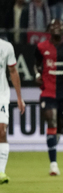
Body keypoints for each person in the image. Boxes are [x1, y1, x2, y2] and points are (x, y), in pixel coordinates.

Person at [34, 19, 63, 176]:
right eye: (54, 26)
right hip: (47, 91)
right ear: (49, 30)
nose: (57, 28)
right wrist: (38, 74)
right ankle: (53, 164)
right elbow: (36, 64)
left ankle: (53, 144)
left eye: (59, 26)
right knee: (51, 121)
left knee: (59, 125)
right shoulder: (41, 47)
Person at [0, 37, 26, 184]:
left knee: (2, 131)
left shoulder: (6, 47)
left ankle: (1, 172)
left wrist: (19, 97)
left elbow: (13, 71)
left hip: (1, 95)